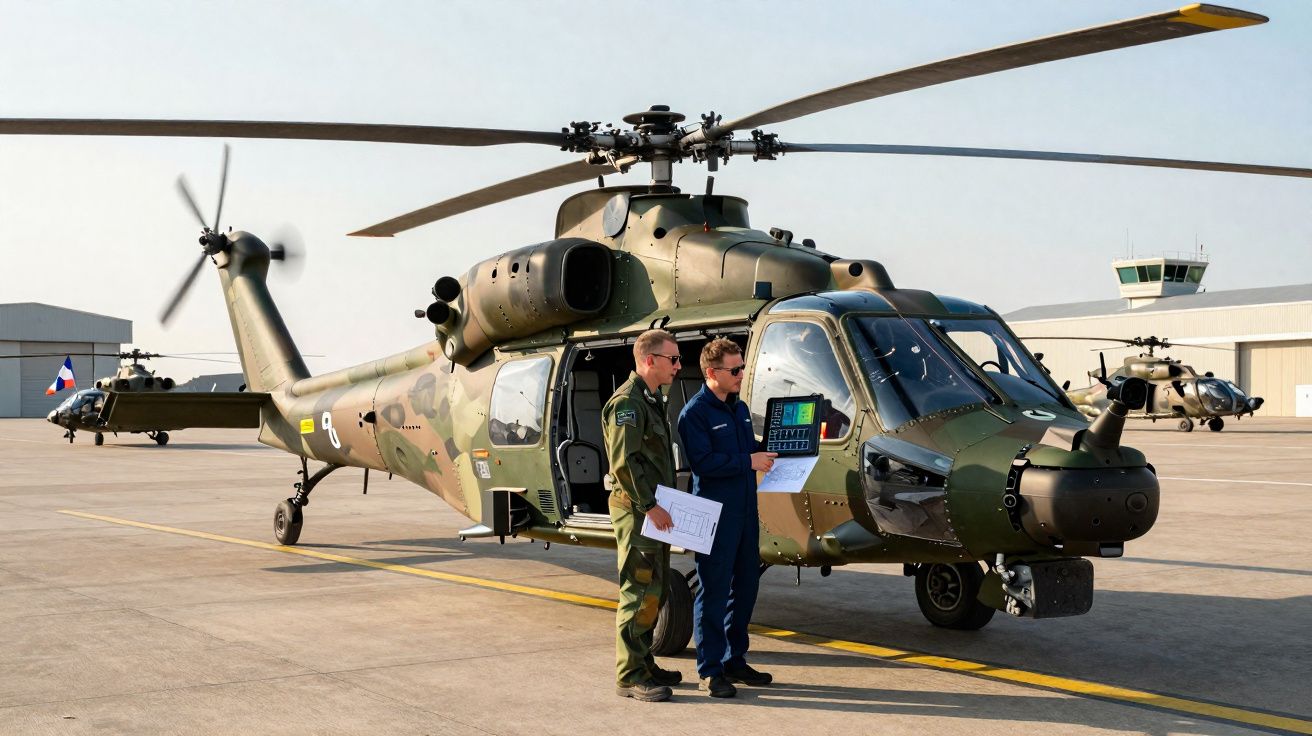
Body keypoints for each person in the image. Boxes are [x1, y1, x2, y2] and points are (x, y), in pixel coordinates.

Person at [677, 338, 777, 698]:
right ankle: (710, 669)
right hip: (713, 514)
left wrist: (768, 452)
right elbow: (703, 463)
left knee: (747, 586)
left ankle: (736, 659)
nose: (740, 375)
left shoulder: (740, 408)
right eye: (734, 370)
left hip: (745, 512)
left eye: (742, 368)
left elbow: (747, 450)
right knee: (714, 589)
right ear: (711, 372)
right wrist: (748, 462)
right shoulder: (695, 414)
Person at [602, 328, 682, 702]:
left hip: (652, 508)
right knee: (639, 590)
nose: (678, 366)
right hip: (637, 510)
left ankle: (644, 661)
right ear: (650, 360)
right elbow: (624, 463)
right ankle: (629, 674)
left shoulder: (651, 399)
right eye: (673, 359)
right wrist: (651, 505)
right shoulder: (628, 404)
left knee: (657, 588)